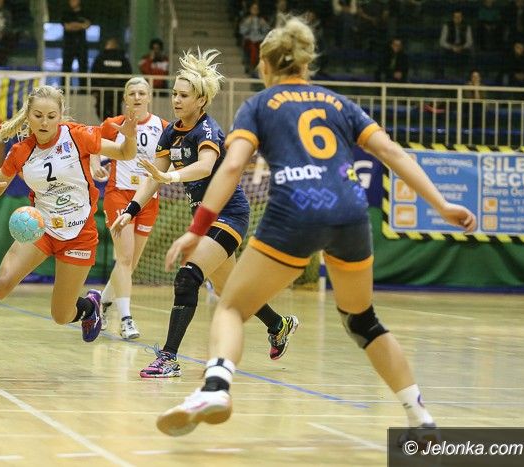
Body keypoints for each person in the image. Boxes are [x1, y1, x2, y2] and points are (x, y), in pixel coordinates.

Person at [156, 17, 477, 436]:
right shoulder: (338, 103)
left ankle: (216, 387)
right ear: (307, 64)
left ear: (264, 66)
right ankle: (421, 418)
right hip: (350, 214)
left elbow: (231, 168)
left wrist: (197, 229)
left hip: (296, 212)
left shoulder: (259, 105)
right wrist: (442, 204)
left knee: (232, 306)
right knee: (363, 321)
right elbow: (393, 153)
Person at [110, 48, 299, 379]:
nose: (176, 100)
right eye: (174, 94)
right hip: (204, 218)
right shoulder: (171, 133)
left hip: (229, 214)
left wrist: (170, 177)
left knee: (187, 277)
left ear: (201, 100)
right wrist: (131, 209)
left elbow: (205, 166)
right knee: (231, 292)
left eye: (184, 95)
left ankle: (168, 357)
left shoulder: (207, 130)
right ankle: (278, 324)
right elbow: (153, 176)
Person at [0, 85, 138, 372]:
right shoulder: (21, 151)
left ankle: (89, 307)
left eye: (51, 116)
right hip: (41, 229)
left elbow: (124, 152)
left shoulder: (78, 136)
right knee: (1, 282)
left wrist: (130, 137)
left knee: (61, 315)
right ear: (28, 116)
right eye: (38, 116)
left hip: (79, 234)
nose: (44, 122)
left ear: (60, 115)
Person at [90, 77, 169, 339]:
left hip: (148, 198)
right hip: (119, 196)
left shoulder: (163, 127)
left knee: (130, 264)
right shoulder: (113, 124)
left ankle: (100, 302)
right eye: (132, 93)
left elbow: (170, 159)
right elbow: (92, 145)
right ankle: (126, 319)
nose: (137, 97)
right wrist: (95, 166)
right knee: (123, 258)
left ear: (149, 96)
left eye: (141, 93)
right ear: (125, 98)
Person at [91, 38, 133, 120]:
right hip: (117, 90)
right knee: (116, 110)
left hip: (103, 90)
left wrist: (94, 89)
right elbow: (128, 74)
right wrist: (125, 90)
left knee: (101, 110)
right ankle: (113, 124)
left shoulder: (101, 57)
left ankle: (107, 124)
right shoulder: (122, 58)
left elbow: (94, 72)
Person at [61, 0, 91, 75]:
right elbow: (67, 27)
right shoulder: (66, 14)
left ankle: (83, 83)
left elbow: (86, 25)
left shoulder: (85, 13)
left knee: (83, 68)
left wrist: (73, 25)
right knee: (66, 68)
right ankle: (65, 83)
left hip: (81, 45)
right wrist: (80, 25)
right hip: (68, 44)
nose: (72, 2)